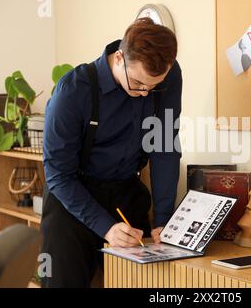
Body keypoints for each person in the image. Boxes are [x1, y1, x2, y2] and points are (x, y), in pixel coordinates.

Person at [40, 17, 182, 287]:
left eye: (154, 87)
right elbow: (58, 174)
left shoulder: (169, 75)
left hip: (126, 191)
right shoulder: (72, 91)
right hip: (73, 196)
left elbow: (164, 146)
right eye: (139, 83)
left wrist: (163, 220)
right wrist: (105, 227)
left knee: (142, 283)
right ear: (119, 58)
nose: (146, 94)